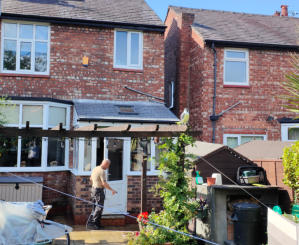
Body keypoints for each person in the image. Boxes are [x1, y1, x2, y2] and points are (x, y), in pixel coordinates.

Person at [86, 159, 117, 230]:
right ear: (105, 164)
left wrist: (95, 185)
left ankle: (96, 224)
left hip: (94, 190)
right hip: (98, 191)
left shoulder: (95, 168)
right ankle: (93, 224)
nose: (108, 167)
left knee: (95, 207)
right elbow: (104, 183)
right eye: (108, 165)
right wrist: (112, 190)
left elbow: (91, 179)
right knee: (99, 208)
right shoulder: (102, 171)